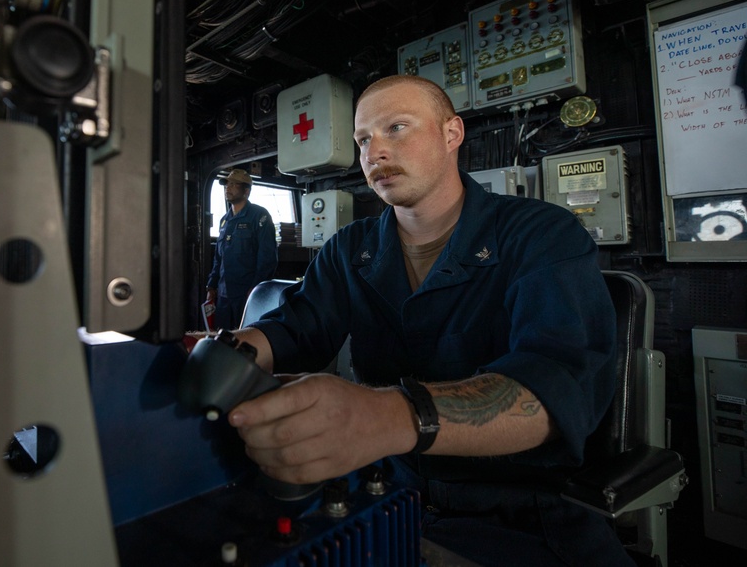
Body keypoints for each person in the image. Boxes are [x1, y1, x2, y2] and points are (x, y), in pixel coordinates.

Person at [221, 75, 633, 566]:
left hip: (518, 513)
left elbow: (556, 388)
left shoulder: (542, 235)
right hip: (382, 491)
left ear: (452, 133)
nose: (374, 152)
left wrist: (385, 416)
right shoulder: (349, 250)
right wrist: (227, 352)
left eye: (396, 127)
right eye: (363, 139)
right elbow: (295, 327)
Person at [206, 168, 278, 330]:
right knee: (222, 338)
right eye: (226, 184)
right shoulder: (225, 221)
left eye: (233, 184)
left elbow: (267, 257)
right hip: (224, 294)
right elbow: (219, 258)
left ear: (246, 191)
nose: (228, 187)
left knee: (246, 338)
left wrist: (256, 289)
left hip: (246, 293)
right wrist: (211, 286)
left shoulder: (259, 216)